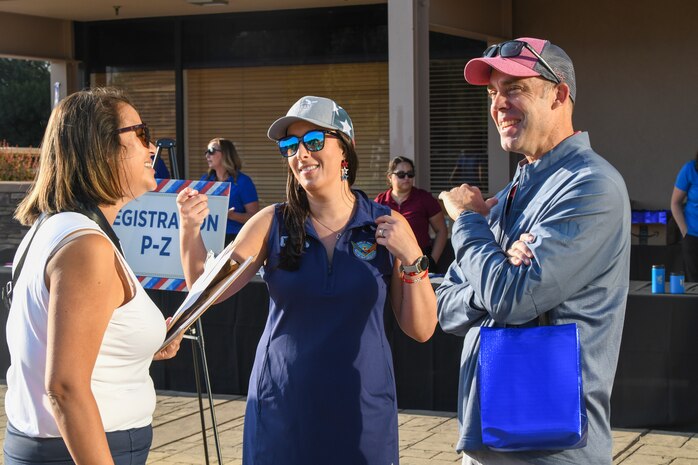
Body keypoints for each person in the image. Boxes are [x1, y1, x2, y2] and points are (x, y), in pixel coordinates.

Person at [177, 96, 437, 465]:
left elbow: (422, 329)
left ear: (345, 148)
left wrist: (412, 257)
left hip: (362, 412)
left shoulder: (384, 225)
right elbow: (207, 291)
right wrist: (190, 230)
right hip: (282, 409)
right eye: (290, 145)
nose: (301, 153)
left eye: (314, 141)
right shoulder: (271, 222)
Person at [436, 38, 630, 465]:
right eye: (493, 93)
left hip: (550, 449)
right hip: (487, 438)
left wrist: (467, 221)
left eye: (515, 88)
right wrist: (489, 284)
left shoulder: (591, 185)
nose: (499, 104)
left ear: (559, 93)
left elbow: (512, 298)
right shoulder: (509, 194)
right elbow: (444, 309)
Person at [3, 88, 182, 465]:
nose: (153, 149)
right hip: (85, 449)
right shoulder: (86, 247)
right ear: (102, 148)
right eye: (142, 134)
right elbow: (65, 388)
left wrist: (140, 345)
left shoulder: (54, 229)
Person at [375, 156, 448, 272]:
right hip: (388, 260)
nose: (406, 178)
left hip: (419, 260)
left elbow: (442, 230)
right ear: (390, 177)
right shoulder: (380, 201)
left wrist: (432, 260)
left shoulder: (424, 198)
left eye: (410, 174)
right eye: (401, 174)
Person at [201, 137, 259, 245]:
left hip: (234, 239)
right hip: (208, 234)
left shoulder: (243, 181)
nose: (207, 155)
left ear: (225, 154)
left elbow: (254, 217)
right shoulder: (205, 180)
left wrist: (231, 215)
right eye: (206, 152)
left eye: (212, 151)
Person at [670, 151, 698, 282]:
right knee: (694, 283)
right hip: (693, 236)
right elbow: (675, 203)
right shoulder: (690, 169)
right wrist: (684, 230)